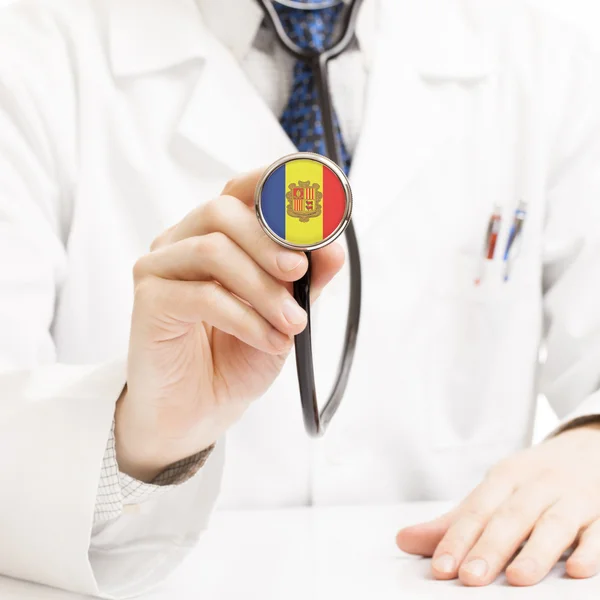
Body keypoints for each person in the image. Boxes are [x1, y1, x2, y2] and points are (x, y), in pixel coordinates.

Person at [1, 0, 600, 596]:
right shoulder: (30, 56)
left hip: (459, 578)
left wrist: (591, 441)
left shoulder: (550, 61)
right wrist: (143, 442)